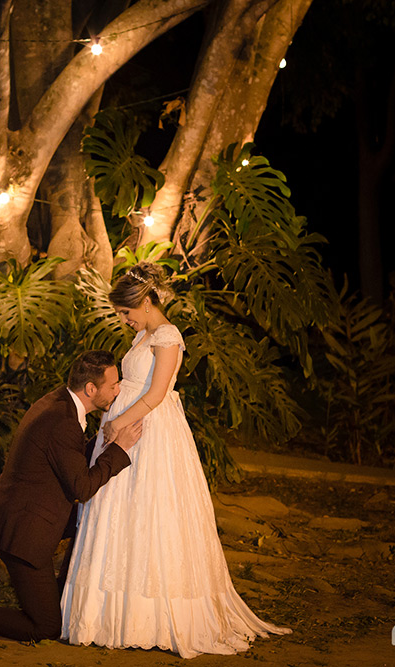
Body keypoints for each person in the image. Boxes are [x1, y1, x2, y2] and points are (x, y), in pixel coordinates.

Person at [59, 262, 291, 658]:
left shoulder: (167, 336)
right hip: (127, 428)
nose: (123, 319)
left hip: (149, 433)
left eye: (126, 312)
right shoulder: (143, 336)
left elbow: (158, 393)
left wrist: (118, 426)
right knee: (120, 514)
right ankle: (110, 614)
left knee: (152, 513)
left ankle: (156, 615)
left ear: (146, 302)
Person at [0, 350, 143, 641]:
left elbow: (66, 457)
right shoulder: (62, 421)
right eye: (113, 385)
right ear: (91, 389)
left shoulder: (58, 402)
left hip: (24, 517)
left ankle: (62, 593)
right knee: (45, 627)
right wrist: (119, 450)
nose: (118, 390)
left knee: (94, 521)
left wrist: (101, 443)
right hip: (22, 533)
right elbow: (82, 487)